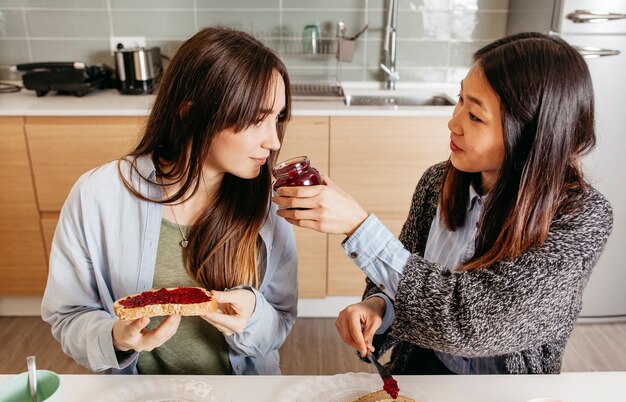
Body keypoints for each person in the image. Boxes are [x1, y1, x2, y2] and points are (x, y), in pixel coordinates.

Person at [273, 32, 613, 374]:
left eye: (475, 116)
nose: (453, 122)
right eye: (460, 99)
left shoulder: (582, 219)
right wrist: (379, 307)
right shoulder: (438, 182)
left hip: (505, 396)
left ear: (531, 133)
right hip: (423, 370)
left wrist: (360, 228)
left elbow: (472, 323)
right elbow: (402, 276)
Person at [41, 26, 297, 375]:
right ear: (190, 113)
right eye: (256, 119)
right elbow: (68, 315)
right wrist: (114, 337)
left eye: (277, 118)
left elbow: (281, 320)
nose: (273, 141)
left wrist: (253, 316)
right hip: (143, 400)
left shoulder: (268, 206)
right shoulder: (97, 196)